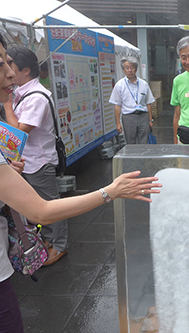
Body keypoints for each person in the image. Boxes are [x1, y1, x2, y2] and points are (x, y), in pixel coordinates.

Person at [0, 32, 161, 333]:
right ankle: (55, 245)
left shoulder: (30, 98)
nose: (9, 73)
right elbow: (42, 211)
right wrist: (110, 191)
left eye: (9, 62)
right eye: (1, 64)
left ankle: (55, 244)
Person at [3, 46, 69, 266]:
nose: (8, 75)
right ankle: (49, 240)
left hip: (39, 162)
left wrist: (6, 105)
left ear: (25, 70)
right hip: (28, 162)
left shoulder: (37, 97)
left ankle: (60, 245)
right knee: (38, 205)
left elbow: (19, 133)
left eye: (9, 66)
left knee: (49, 204)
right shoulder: (22, 93)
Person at [110, 57, 155, 144]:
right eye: (127, 68)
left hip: (143, 116)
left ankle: (142, 157)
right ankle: (132, 157)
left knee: (144, 141)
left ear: (136, 69)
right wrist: (118, 123)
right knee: (130, 142)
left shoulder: (144, 84)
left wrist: (150, 119)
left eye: (132, 67)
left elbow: (148, 103)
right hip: (128, 117)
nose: (130, 70)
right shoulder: (119, 85)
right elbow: (117, 105)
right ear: (123, 70)